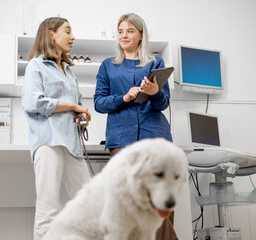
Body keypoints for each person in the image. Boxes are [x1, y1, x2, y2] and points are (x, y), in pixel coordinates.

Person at [94, 13, 177, 240]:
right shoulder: (107, 66)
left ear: (141, 35)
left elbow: (163, 103)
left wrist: (154, 92)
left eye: (130, 31)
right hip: (122, 140)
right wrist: (124, 98)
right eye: (120, 31)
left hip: (155, 136)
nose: (124, 35)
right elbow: (99, 103)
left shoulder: (155, 63)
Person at [21, 17, 91, 240]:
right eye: (67, 31)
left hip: (72, 144)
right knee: (48, 208)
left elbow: (76, 104)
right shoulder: (36, 65)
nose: (73, 37)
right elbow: (34, 102)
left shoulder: (69, 71)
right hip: (49, 142)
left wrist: (80, 114)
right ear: (51, 34)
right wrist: (72, 105)